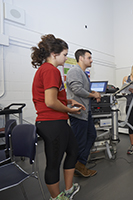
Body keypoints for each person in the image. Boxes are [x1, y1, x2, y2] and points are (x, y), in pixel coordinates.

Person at [31, 34, 83, 200]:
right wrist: (70, 110)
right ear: (54, 54)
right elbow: (50, 102)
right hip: (51, 122)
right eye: (65, 54)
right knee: (53, 163)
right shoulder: (50, 70)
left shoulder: (48, 70)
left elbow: (50, 96)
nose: (66, 58)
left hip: (57, 122)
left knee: (73, 151)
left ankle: (68, 190)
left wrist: (68, 100)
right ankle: (57, 197)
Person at [66, 49, 101, 177]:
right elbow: (77, 89)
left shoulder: (83, 73)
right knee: (80, 141)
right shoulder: (75, 71)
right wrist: (92, 94)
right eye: (89, 57)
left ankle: (80, 164)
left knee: (91, 135)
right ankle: (76, 165)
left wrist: (93, 94)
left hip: (86, 112)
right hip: (78, 112)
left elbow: (84, 89)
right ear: (81, 58)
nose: (91, 60)